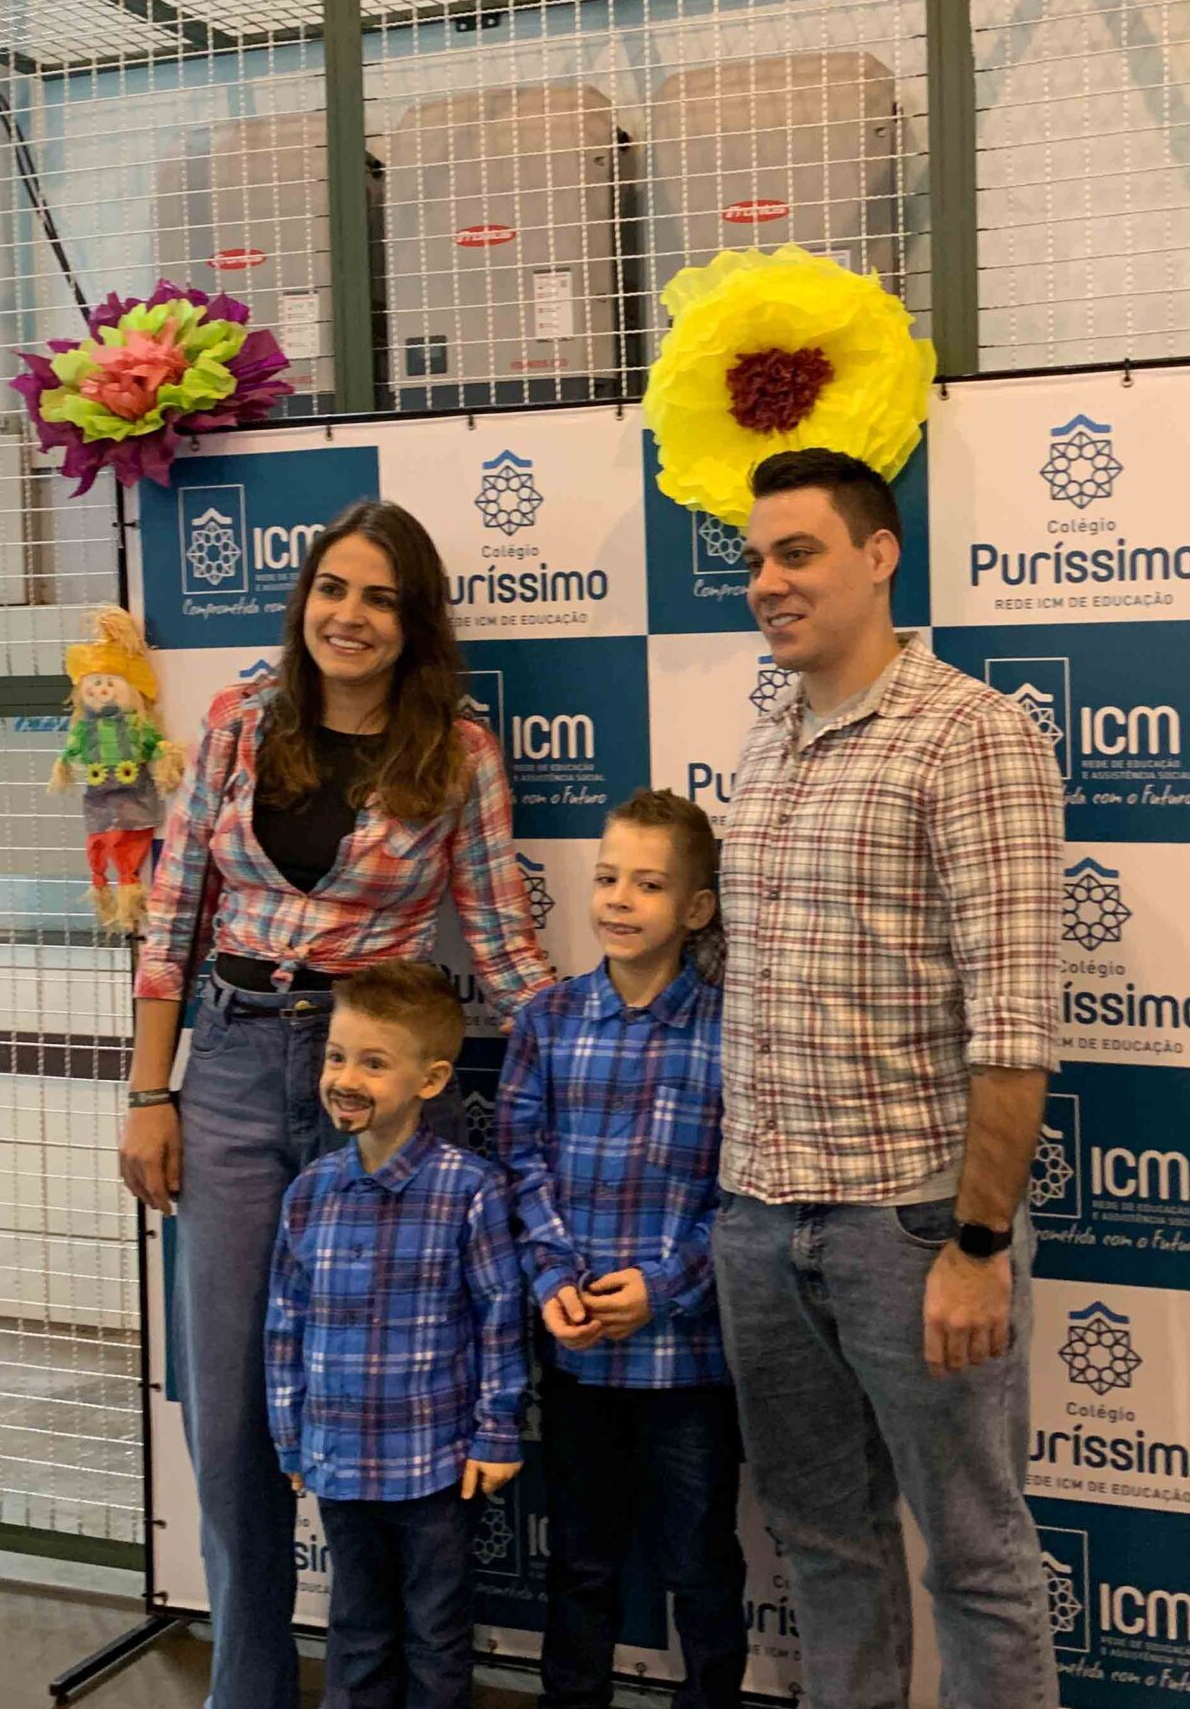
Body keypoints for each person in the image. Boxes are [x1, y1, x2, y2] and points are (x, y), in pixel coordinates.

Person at [121, 497, 555, 1709]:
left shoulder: (456, 754)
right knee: (227, 1404)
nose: (349, 616)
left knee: (398, 1388)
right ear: (301, 598)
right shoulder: (237, 722)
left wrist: (610, 1051)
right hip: (232, 1070)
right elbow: (172, 914)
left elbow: (504, 942)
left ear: (415, 623)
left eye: (379, 598)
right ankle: (249, 1685)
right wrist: (150, 1090)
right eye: (331, 588)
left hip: (384, 1092)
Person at [710, 448, 1065, 1708]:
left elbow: (1014, 1023)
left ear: (879, 555)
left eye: (797, 553)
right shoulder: (766, 737)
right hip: (759, 1218)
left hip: (910, 1228)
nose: (767, 582)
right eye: (755, 559)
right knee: (820, 1542)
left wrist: (977, 1243)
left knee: (974, 1558)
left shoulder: (974, 735)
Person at [497, 789, 745, 1709]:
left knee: (701, 1563)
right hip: (579, 1358)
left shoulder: (732, 1030)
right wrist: (553, 1277)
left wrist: (666, 1285)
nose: (619, 900)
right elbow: (522, 1164)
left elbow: (744, 1195)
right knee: (581, 1563)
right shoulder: (548, 1020)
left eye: (648, 884)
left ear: (697, 908)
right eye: (607, 878)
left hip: (689, 1361)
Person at [265, 961, 525, 1709]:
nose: (346, 1078)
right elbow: (286, 1325)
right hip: (339, 1463)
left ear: (431, 1080)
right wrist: (291, 1438)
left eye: (374, 1063)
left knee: (436, 1633)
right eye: (337, 1057)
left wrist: (497, 1431)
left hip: (434, 1468)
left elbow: (500, 1319)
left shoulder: (469, 1189)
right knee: (355, 1628)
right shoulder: (310, 1192)